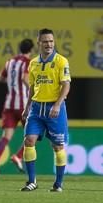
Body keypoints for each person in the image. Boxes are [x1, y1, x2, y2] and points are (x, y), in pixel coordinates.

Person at [21, 29, 71, 192]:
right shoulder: (33, 63)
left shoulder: (61, 61)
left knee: (58, 147)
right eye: (45, 41)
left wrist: (57, 105)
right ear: (39, 43)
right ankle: (31, 181)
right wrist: (27, 106)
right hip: (36, 108)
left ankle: (58, 184)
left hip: (54, 109)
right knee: (29, 141)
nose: (48, 44)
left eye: (51, 41)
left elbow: (66, 85)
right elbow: (32, 87)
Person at [0, 38, 34, 176]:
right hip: (24, 105)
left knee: (6, 136)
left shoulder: (10, 62)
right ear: (31, 50)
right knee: (35, 133)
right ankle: (18, 156)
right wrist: (34, 90)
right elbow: (25, 79)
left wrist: (11, 82)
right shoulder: (28, 62)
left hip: (9, 105)